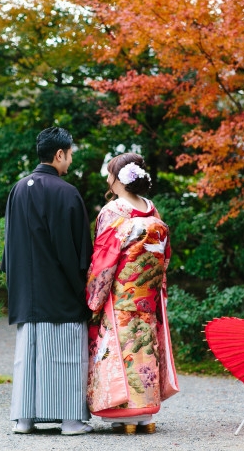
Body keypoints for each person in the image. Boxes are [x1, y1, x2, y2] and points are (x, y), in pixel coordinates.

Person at [1, 126, 94, 435]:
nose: (70, 162)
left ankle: (24, 419)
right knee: (65, 356)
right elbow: (78, 250)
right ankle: (69, 421)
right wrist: (84, 288)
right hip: (60, 292)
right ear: (58, 155)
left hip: (26, 292)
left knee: (27, 358)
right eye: (69, 155)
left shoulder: (17, 189)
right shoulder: (66, 192)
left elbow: (9, 247)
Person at [85, 153, 172, 434]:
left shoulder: (113, 211)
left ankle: (124, 415)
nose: (107, 180)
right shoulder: (151, 209)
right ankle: (145, 417)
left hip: (120, 298)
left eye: (110, 174)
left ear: (119, 180)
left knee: (121, 352)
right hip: (148, 296)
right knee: (145, 349)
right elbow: (164, 258)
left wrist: (94, 298)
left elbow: (104, 260)